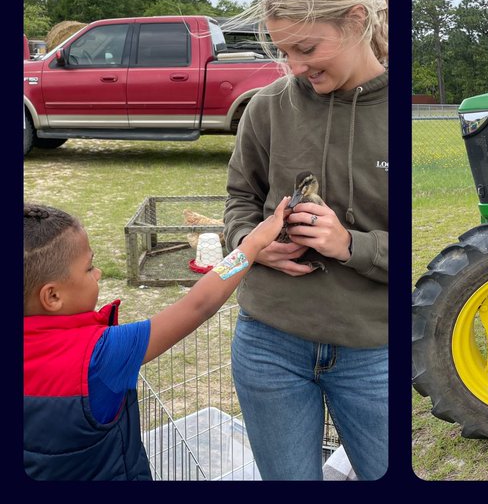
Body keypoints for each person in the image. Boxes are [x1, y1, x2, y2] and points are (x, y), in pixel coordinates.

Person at [224, 0, 388, 480]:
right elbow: (240, 199)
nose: (292, 66)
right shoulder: (267, 108)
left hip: (375, 349)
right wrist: (251, 246)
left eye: (307, 49)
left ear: (356, 20)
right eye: (281, 51)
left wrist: (350, 245)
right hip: (267, 341)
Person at [24, 197, 292, 479]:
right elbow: (199, 305)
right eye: (89, 268)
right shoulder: (101, 355)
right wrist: (252, 243)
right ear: (52, 296)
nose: (99, 273)